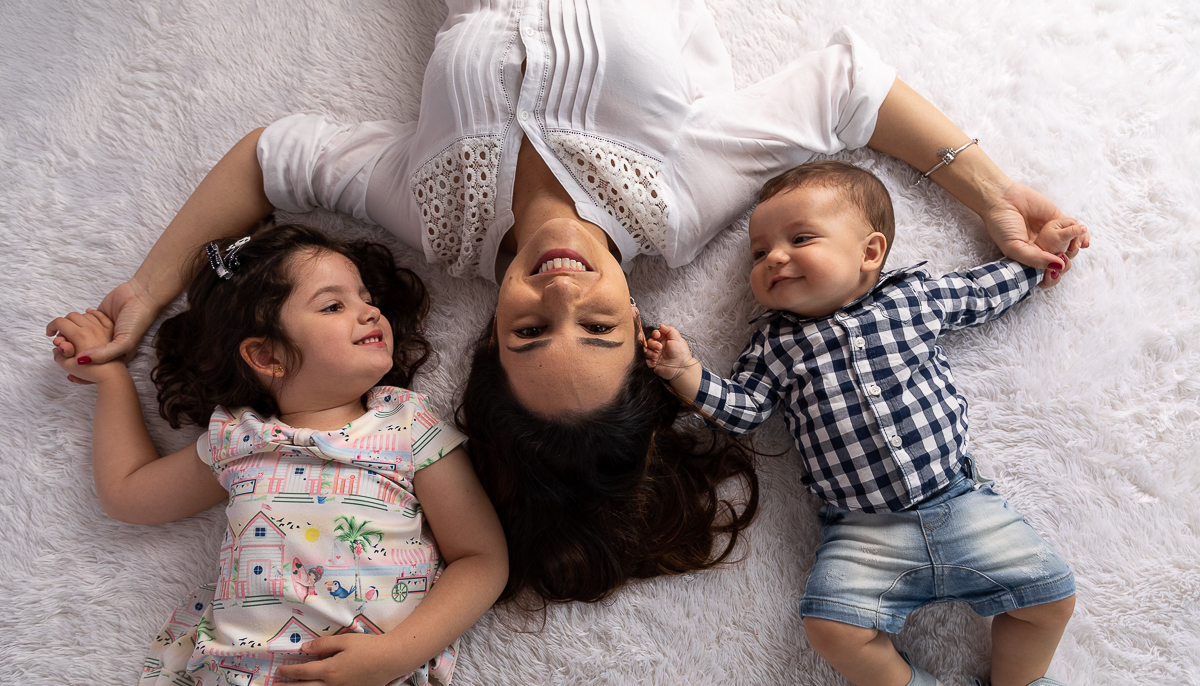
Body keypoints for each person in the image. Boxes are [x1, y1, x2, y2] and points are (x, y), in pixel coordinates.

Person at [52, 1, 1085, 605]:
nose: (559, 287)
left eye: (527, 328)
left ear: (487, 339)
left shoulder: (434, 217)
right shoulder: (684, 203)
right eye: (599, 325)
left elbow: (271, 156)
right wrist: (993, 199)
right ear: (646, 330)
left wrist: (148, 291)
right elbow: (851, 89)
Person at [644, 161, 1111, 686]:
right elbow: (746, 411)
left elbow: (981, 292)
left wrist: (1037, 262)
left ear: (870, 252)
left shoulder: (912, 299)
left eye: (799, 240)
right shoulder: (775, 347)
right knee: (828, 625)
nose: (774, 259)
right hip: (861, 531)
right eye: (760, 252)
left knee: (1051, 593)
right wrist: (686, 374)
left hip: (958, 501)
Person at [48, 225, 508, 686]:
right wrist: (112, 380)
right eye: (335, 304)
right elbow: (127, 491)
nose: (369, 313)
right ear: (266, 354)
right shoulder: (241, 437)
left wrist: (392, 657)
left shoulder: (407, 428)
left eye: (367, 298)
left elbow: (482, 558)